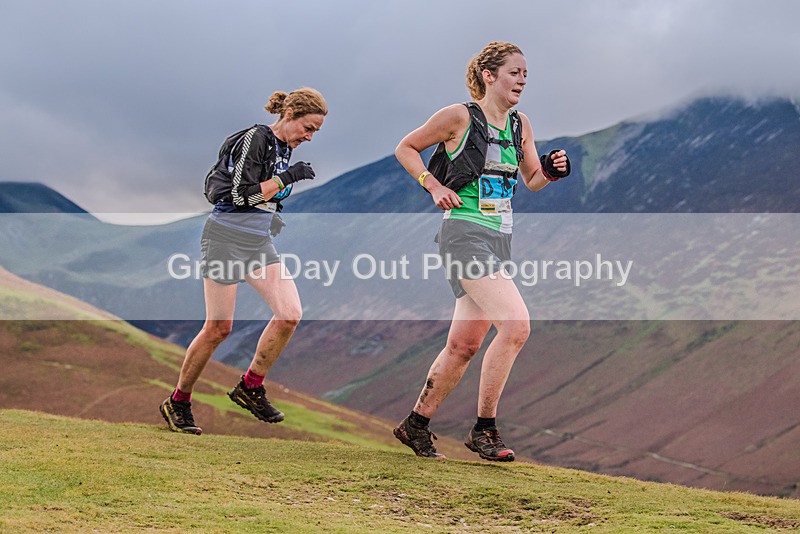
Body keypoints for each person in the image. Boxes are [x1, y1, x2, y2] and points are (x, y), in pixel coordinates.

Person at [392, 42, 570, 461]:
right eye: (514, 72)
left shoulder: (519, 123)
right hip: (464, 235)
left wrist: (551, 170)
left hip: (499, 238)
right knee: (516, 326)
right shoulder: (457, 116)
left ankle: (416, 424)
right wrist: (433, 186)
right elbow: (405, 147)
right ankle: (484, 430)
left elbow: (531, 179)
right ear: (489, 76)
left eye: (526, 74)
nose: (522, 80)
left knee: (464, 345)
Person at [160, 88, 327, 435]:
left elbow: (263, 199)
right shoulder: (257, 138)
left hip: (257, 241)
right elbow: (240, 195)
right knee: (218, 329)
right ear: (290, 112)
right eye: (308, 128)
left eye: (315, 132)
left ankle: (250, 387)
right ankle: (178, 401)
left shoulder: (284, 149)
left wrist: (273, 213)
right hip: (225, 237)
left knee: (289, 314)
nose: (309, 137)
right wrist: (288, 177)